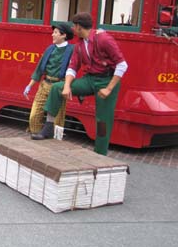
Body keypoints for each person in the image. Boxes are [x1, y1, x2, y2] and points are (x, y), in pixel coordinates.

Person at [39, 12, 128, 155]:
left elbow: (122, 65)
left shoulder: (104, 39)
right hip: (90, 79)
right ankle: (48, 127)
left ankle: (100, 153)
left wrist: (109, 89)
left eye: (74, 26)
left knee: (103, 120)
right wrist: (67, 86)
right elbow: (73, 67)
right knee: (57, 88)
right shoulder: (79, 45)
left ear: (79, 27)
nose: (72, 29)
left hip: (107, 80)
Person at [23, 23, 74, 140]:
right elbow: (39, 69)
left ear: (64, 35)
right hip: (45, 84)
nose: (53, 35)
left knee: (57, 119)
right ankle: (36, 136)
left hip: (59, 86)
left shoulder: (72, 50)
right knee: (34, 116)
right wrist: (29, 86)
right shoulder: (50, 49)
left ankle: (54, 143)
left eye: (56, 32)